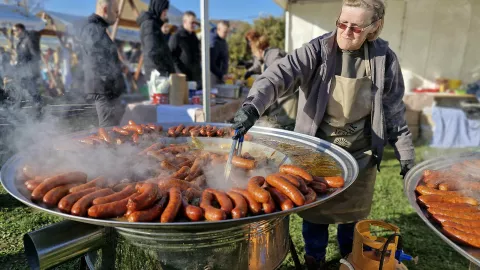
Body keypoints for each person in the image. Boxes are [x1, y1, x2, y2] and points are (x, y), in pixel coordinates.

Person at [230, 0, 415, 269]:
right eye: (342, 23)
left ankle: (349, 258)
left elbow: (394, 110)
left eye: (355, 27)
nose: (345, 31)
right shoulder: (317, 50)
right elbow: (278, 75)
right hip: (317, 151)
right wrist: (252, 105)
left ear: (374, 29)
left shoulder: (384, 59)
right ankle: (313, 259)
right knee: (314, 216)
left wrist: (406, 152)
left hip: (360, 155)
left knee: (351, 218)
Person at [77, 0, 126, 127]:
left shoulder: (98, 29)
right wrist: (112, 82)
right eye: (115, 11)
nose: (117, 15)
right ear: (105, 10)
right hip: (103, 89)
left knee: (113, 128)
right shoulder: (93, 29)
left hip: (106, 88)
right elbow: (98, 60)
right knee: (109, 129)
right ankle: (107, 148)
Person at [246, 32, 297, 130]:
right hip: (282, 99)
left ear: (259, 50)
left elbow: (279, 72)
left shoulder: (273, 54)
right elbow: (258, 65)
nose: (255, 56)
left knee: (283, 127)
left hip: (287, 100)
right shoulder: (267, 55)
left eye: (254, 53)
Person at [137, 0, 175, 80]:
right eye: (164, 11)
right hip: (158, 76)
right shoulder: (149, 24)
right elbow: (152, 52)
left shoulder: (154, 24)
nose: (165, 14)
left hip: (158, 74)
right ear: (158, 8)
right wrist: (163, 73)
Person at [12, 23, 42, 112]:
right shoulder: (20, 42)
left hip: (29, 72)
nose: (13, 33)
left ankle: (39, 113)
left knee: (34, 93)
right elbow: (20, 59)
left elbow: (36, 56)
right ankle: (20, 110)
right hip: (22, 72)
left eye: (14, 31)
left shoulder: (29, 40)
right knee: (20, 90)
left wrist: (31, 70)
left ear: (19, 30)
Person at [169, 11, 201, 84]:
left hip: (195, 77)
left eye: (195, 23)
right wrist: (179, 72)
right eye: (191, 22)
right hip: (182, 77)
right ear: (184, 22)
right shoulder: (177, 37)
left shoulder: (194, 37)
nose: (194, 25)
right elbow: (170, 56)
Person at [210, 21, 230, 85]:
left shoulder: (223, 40)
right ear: (218, 29)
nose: (226, 34)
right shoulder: (213, 42)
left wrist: (224, 73)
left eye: (227, 32)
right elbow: (211, 63)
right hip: (213, 75)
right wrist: (221, 74)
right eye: (225, 32)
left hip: (221, 75)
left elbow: (225, 58)